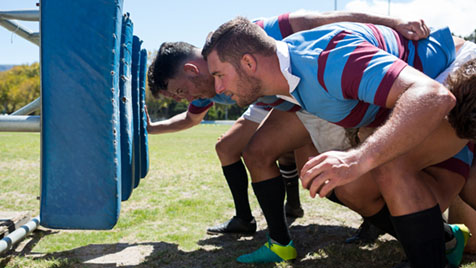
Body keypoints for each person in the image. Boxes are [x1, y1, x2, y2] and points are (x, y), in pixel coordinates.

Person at [202, 17, 472, 267]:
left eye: (219, 75)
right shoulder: (276, 85)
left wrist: (356, 158)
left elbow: (434, 96)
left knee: (388, 162)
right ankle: (446, 239)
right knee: (351, 188)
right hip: (416, 102)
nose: (218, 89)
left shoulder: (327, 59)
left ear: (249, 63)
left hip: (457, 73)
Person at [147, 10, 430, 247]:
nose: (184, 99)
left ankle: (409, 227)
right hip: (290, 103)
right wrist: (149, 129)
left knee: (339, 172)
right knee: (261, 154)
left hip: (324, 93)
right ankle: (271, 229)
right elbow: (189, 119)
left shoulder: (248, 38)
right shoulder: (209, 89)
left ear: (192, 70)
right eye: (177, 98)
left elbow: (324, 19)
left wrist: (393, 23)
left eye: (180, 91)